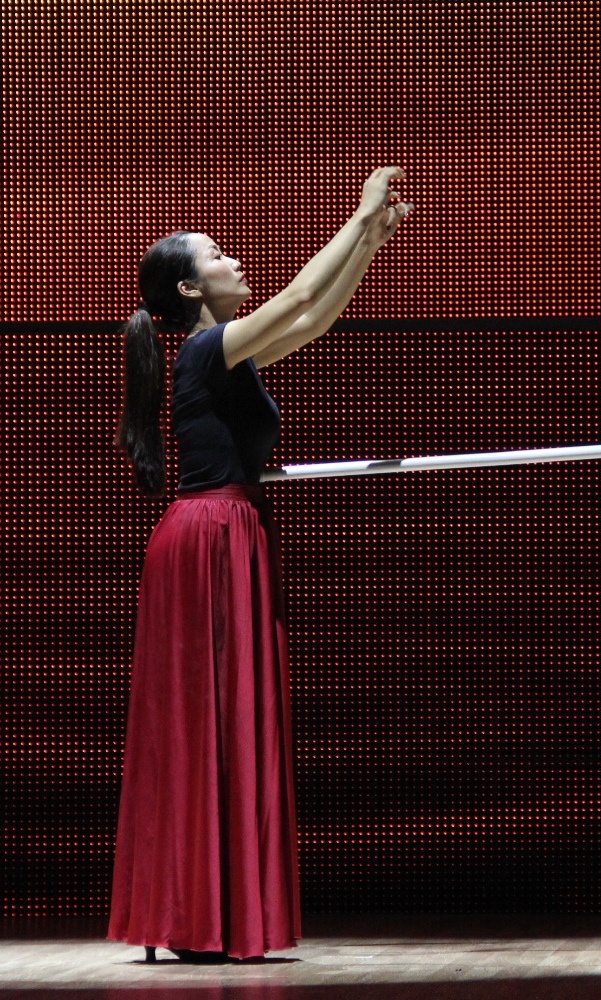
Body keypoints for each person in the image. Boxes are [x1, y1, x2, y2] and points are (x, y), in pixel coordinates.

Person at [109, 168, 413, 962]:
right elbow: (297, 298)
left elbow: (315, 317)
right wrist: (357, 217)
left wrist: (368, 243)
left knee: (225, 719)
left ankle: (206, 910)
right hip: (209, 536)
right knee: (205, 721)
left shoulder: (226, 352)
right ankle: (195, 911)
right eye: (218, 255)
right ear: (190, 287)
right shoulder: (206, 347)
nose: (235, 260)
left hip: (224, 532)